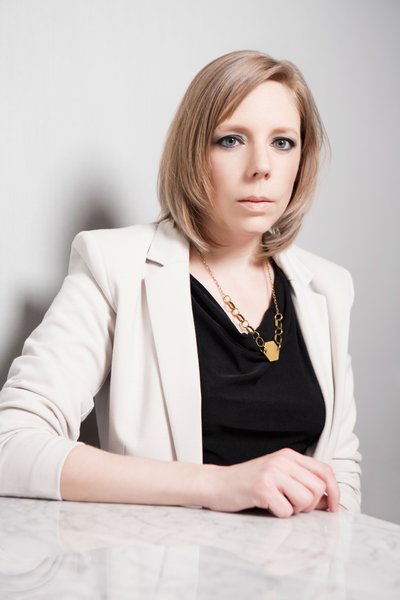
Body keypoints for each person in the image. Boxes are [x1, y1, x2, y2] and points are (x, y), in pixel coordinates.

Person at [0, 50, 361, 517]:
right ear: (194, 151)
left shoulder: (328, 288)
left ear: (301, 159)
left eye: (282, 142)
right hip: (169, 560)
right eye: (231, 140)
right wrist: (218, 484)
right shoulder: (115, 265)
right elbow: (11, 446)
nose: (261, 166)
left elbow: (341, 474)